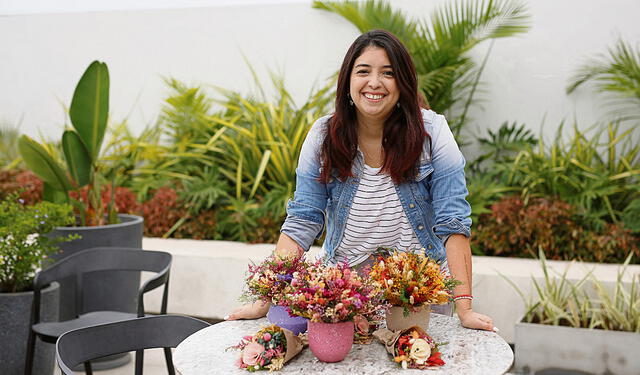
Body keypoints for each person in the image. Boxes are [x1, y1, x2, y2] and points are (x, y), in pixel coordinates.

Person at [226, 29, 496, 332]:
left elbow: (453, 222)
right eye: (363, 71)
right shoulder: (323, 135)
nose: (374, 82)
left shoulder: (433, 133)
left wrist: (465, 309)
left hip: (419, 289)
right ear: (348, 82)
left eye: (388, 73)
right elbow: (303, 219)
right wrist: (265, 298)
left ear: (403, 83)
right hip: (346, 293)